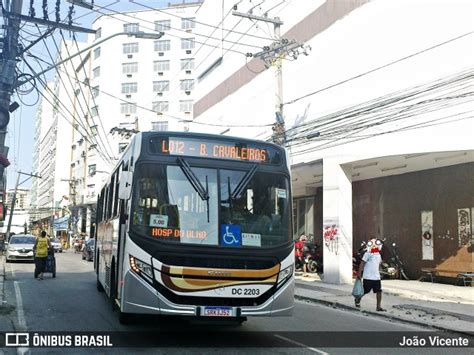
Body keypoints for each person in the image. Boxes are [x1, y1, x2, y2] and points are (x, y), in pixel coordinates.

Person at [355, 238, 386, 311]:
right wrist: (359, 274)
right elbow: (362, 263)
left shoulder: (378, 255)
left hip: (376, 277)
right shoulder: (367, 253)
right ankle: (357, 299)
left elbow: (378, 264)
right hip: (368, 277)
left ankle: (378, 307)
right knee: (365, 291)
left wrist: (380, 271)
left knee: (379, 291)